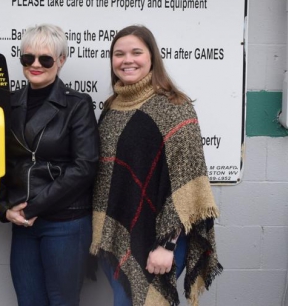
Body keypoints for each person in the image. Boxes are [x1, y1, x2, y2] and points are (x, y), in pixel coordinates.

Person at [90, 25, 222, 306]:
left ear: (152, 57)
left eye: (137, 52)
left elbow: (187, 183)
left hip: (160, 239)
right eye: (119, 54)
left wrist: (167, 245)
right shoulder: (111, 108)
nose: (127, 60)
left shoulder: (174, 107)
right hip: (117, 235)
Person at [0, 24, 99, 306]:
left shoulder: (77, 105)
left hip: (65, 222)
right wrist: (4, 209)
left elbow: (85, 166)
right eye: (28, 58)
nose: (36, 65)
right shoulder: (9, 103)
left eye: (46, 59)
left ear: (61, 60)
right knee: (28, 301)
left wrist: (31, 208)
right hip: (22, 224)